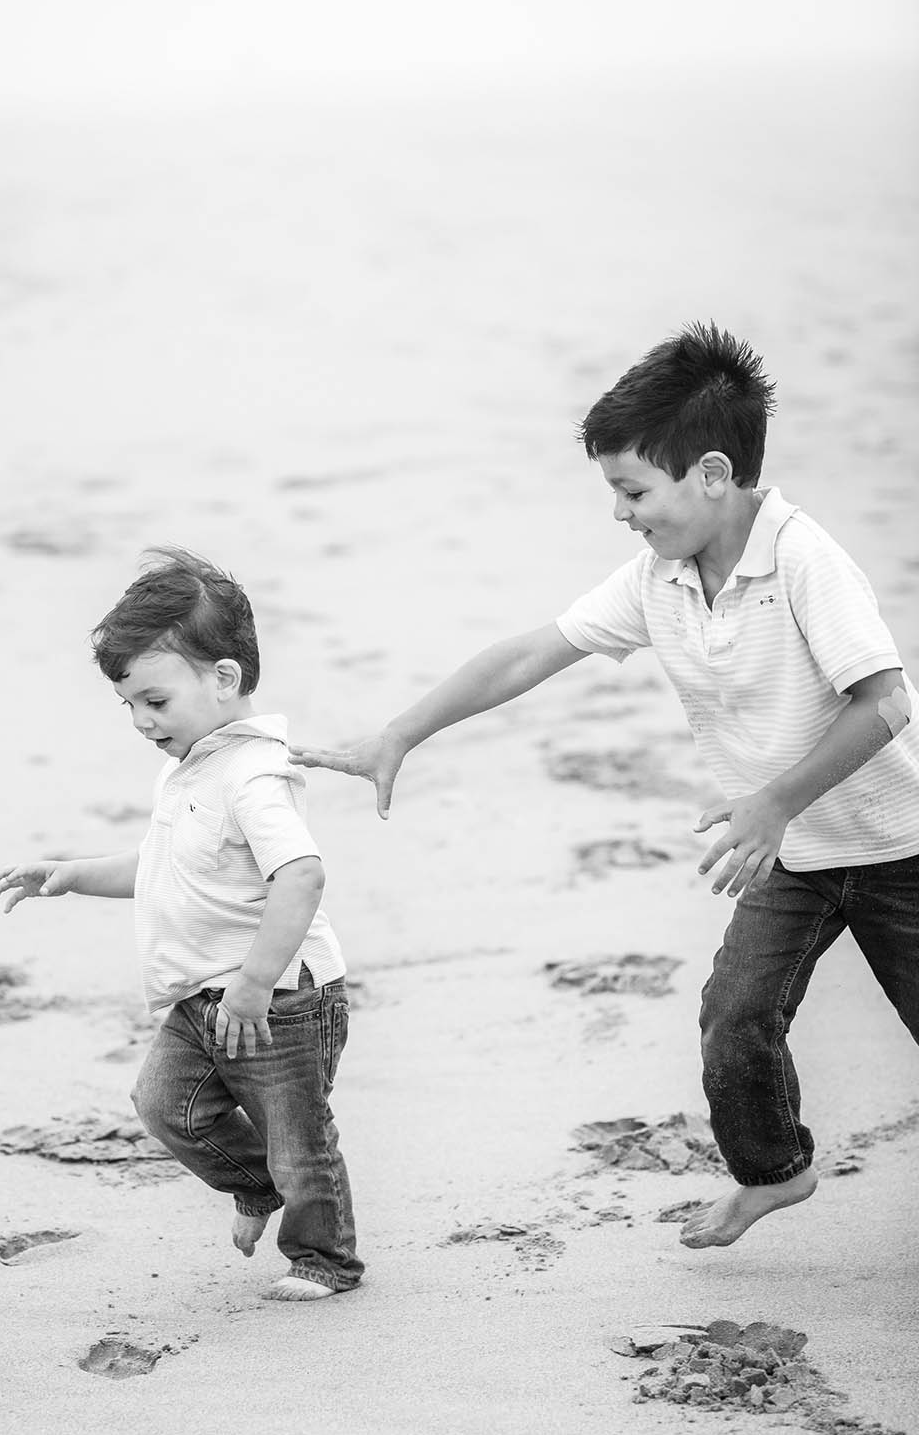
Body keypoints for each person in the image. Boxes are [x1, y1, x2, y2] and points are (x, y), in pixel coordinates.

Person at [291, 322, 919, 1251]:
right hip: (788, 857)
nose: (623, 514)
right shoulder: (661, 576)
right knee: (733, 1019)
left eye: (633, 491)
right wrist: (401, 735)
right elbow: (529, 656)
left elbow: (887, 704)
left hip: (894, 847)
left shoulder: (805, 563)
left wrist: (775, 800)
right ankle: (776, 1173)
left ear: (712, 474)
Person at [0, 549, 362, 1302]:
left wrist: (255, 986)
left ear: (222, 678)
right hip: (200, 998)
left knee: (300, 1138)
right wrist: (70, 874)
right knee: (166, 1108)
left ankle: (325, 1258)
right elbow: (163, 864)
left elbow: (301, 874)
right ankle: (256, 1187)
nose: (140, 720)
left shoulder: (252, 774)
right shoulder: (192, 766)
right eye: (128, 704)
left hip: (278, 1003)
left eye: (155, 700)